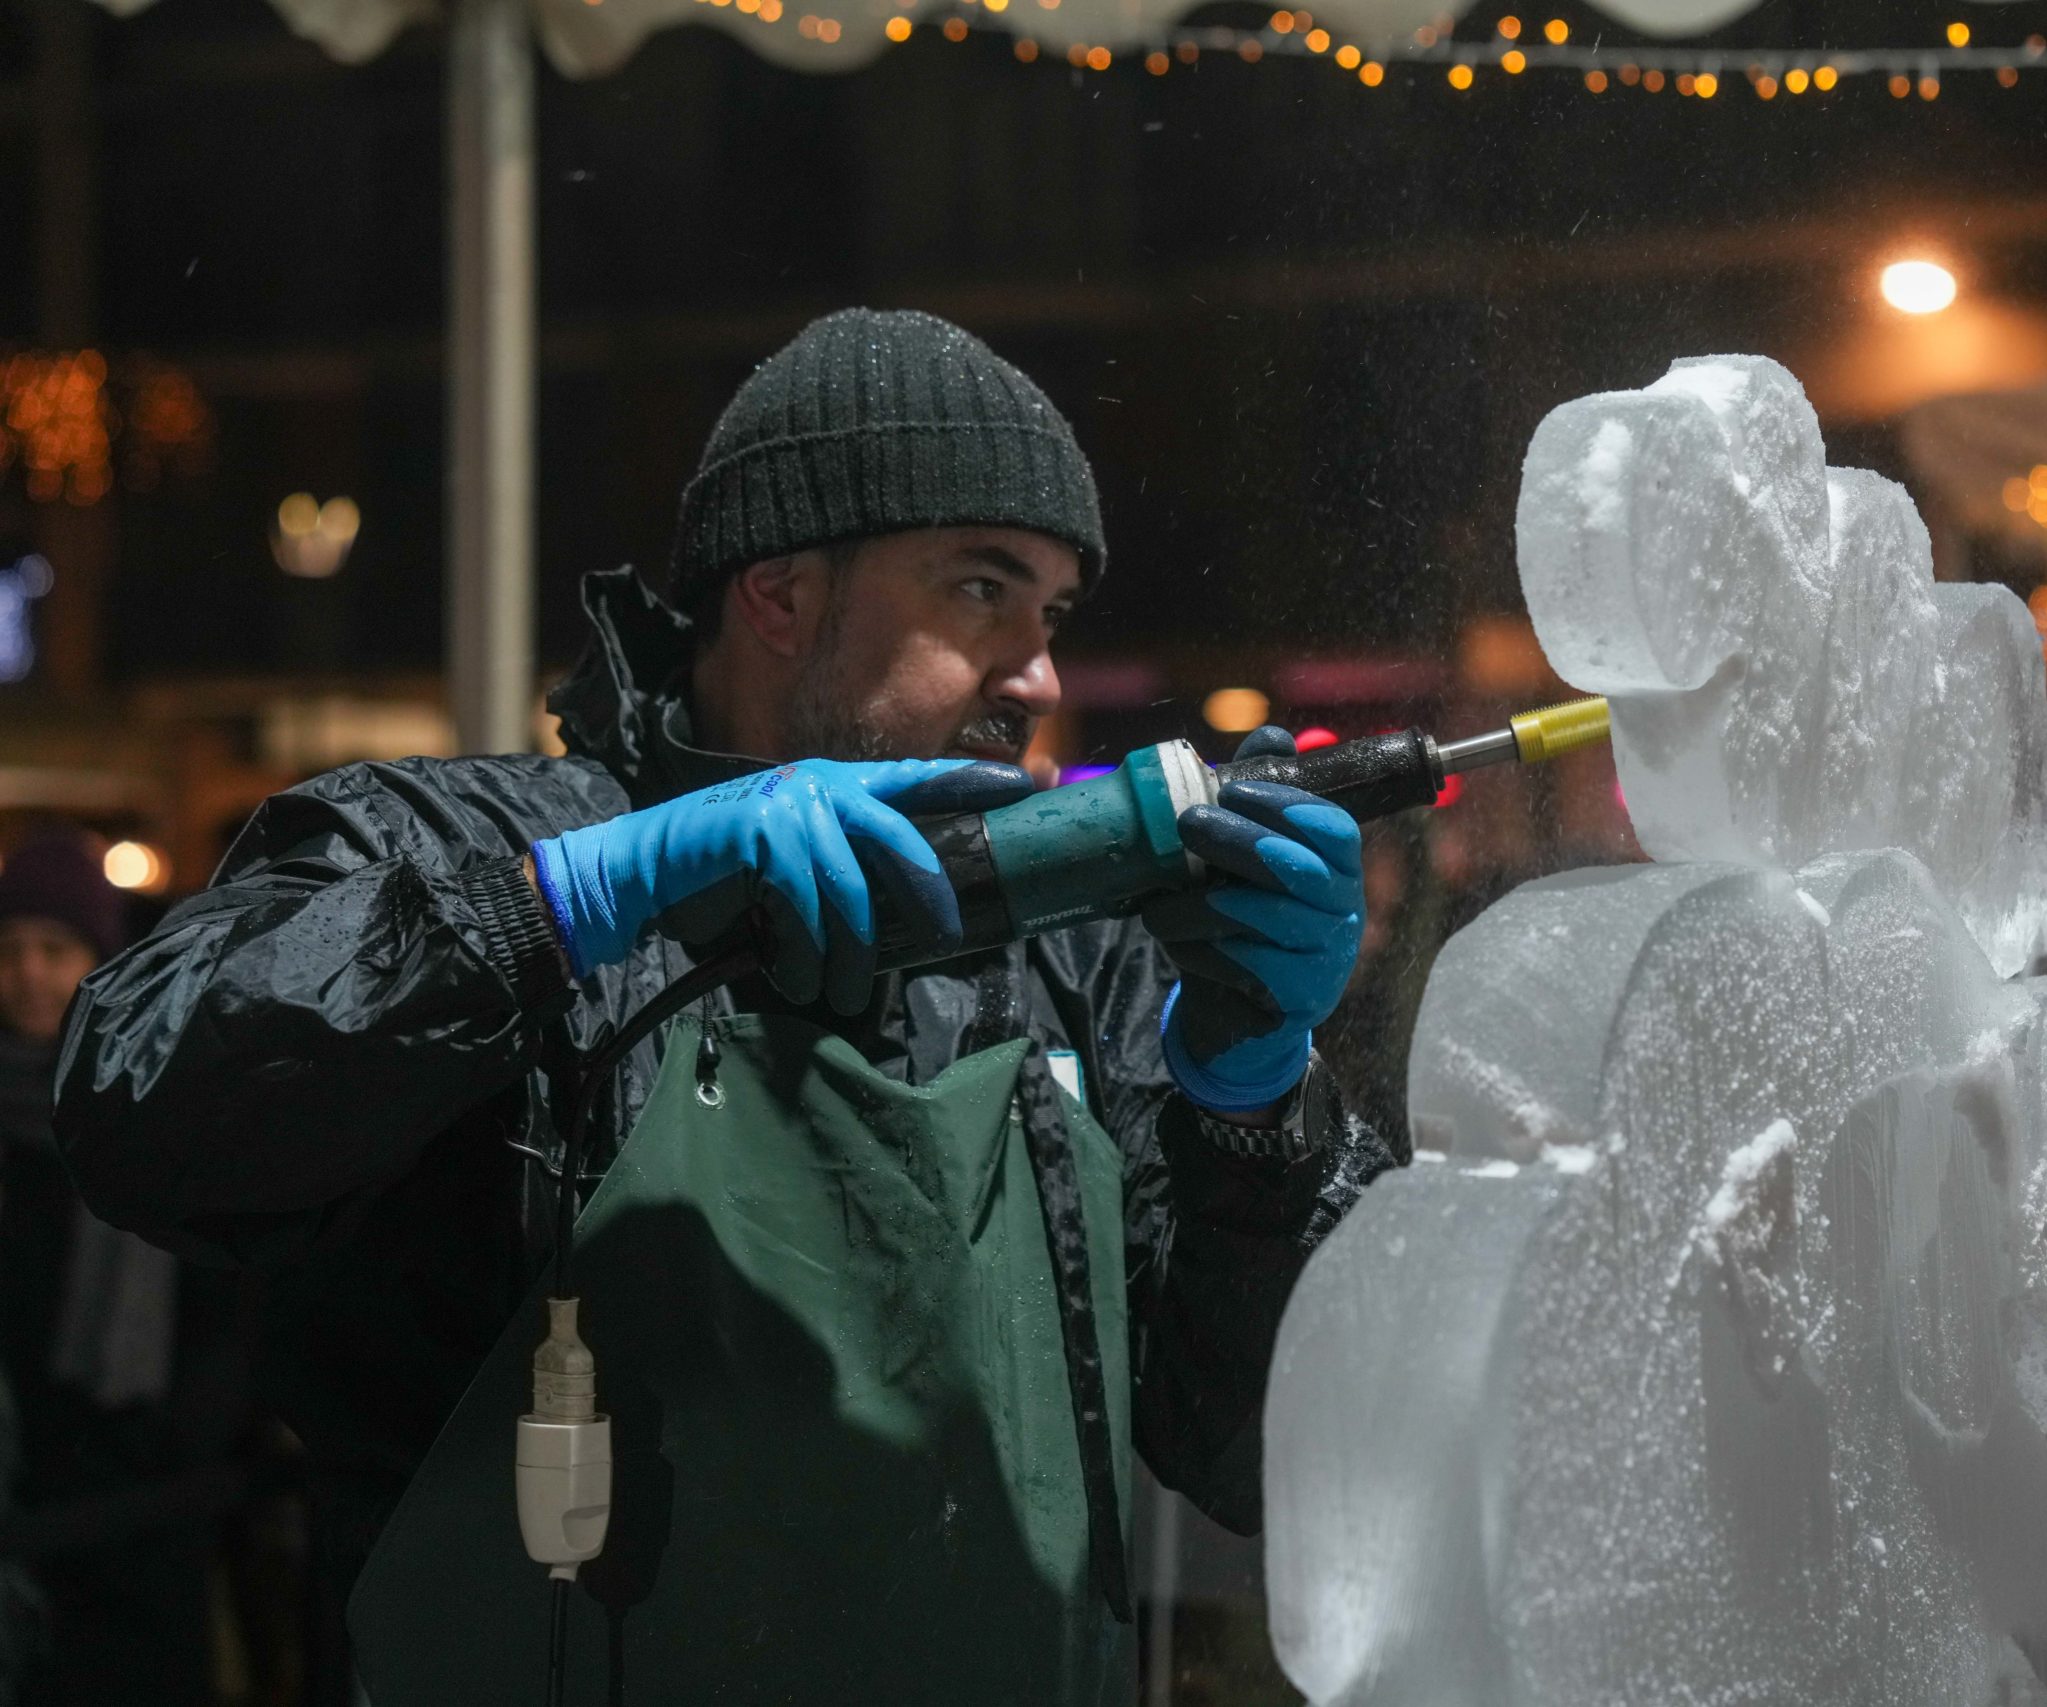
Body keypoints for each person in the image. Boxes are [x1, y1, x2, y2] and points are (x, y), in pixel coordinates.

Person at [52, 309, 1397, 1698]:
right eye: (983, 588)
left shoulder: (1079, 958)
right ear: (780, 594)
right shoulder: (454, 842)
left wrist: (1257, 1104)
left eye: (1052, 613)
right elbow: (140, 1103)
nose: (1040, 672)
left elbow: (1274, 1450)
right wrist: (565, 899)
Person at [1, 830, 253, 1705]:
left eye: (55, 949)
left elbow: (219, 1299)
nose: (30, 974)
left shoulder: (155, 1100)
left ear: (99, 960)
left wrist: (184, 1445)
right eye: (11, 951)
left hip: (149, 1506)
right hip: (26, 1503)